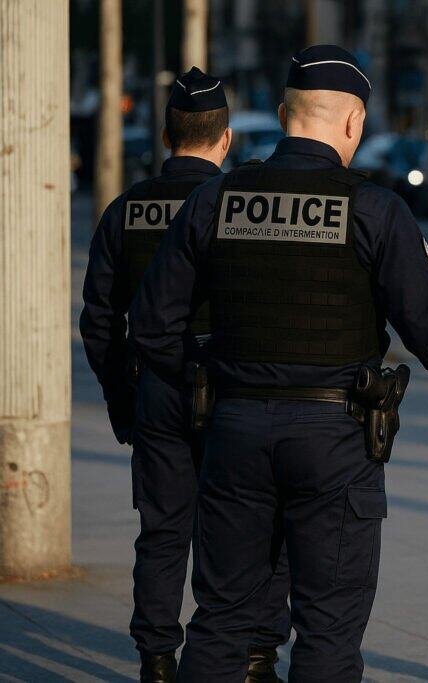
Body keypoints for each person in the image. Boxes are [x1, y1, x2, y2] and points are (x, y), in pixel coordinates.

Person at [129, 45, 428, 682]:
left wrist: (216, 377)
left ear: (283, 114)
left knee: (221, 618)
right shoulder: (374, 210)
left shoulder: (216, 199)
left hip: (235, 431)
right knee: (327, 629)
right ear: (355, 123)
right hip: (335, 439)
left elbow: (153, 324)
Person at [80, 67, 291, 683]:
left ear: (167, 135)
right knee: (258, 528)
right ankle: (255, 655)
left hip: (159, 391)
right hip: (236, 392)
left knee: (164, 531)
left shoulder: (125, 211)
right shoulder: (247, 207)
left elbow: (99, 321)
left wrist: (125, 400)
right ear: (225, 139)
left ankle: (156, 659)